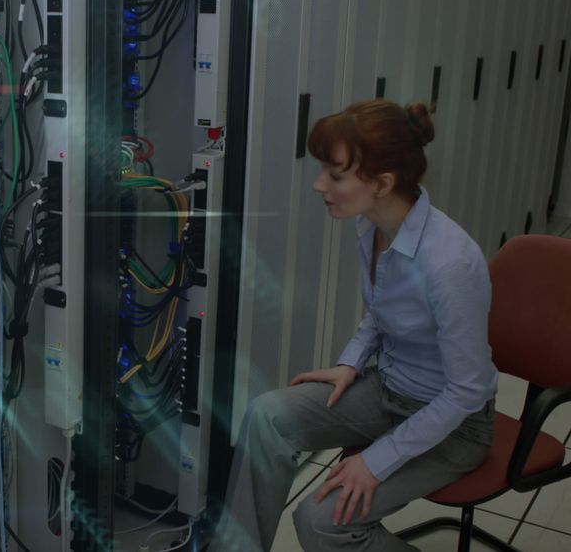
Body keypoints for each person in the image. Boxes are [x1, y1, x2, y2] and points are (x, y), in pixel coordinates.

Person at [211, 99, 498, 551]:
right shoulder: (371, 226)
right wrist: (351, 361)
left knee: (322, 520)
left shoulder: (448, 264)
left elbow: (469, 388)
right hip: (387, 392)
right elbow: (382, 311)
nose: (319, 184)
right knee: (267, 417)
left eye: (336, 174)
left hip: (454, 427)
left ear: (382, 183)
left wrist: (377, 461)